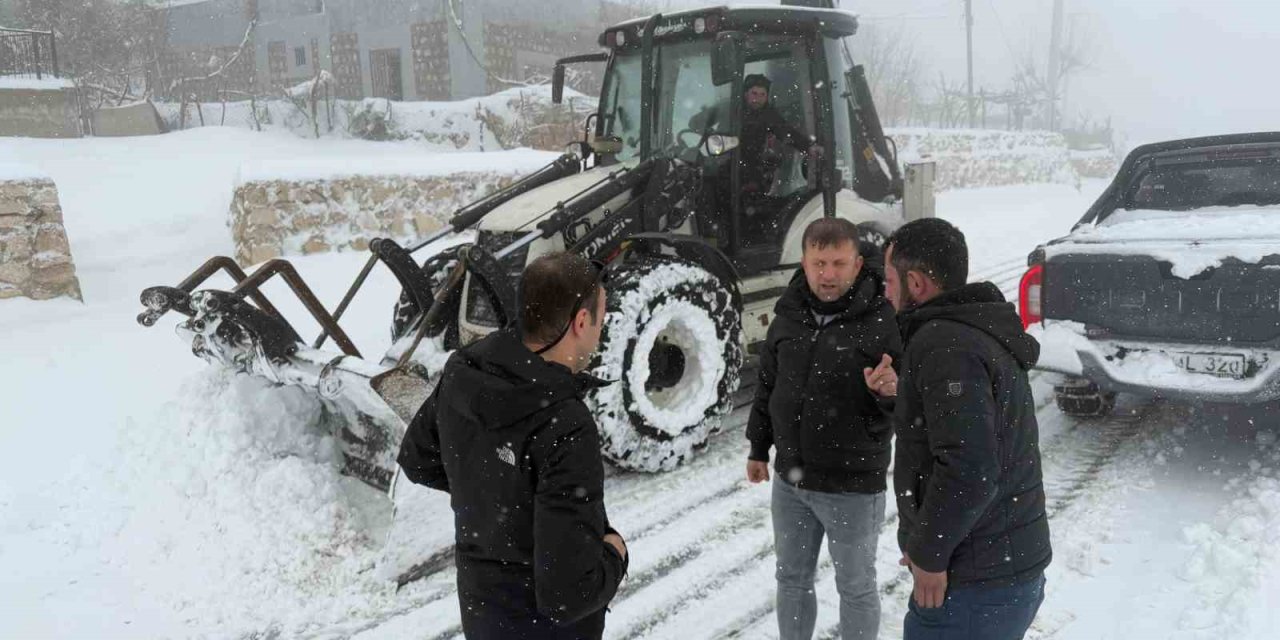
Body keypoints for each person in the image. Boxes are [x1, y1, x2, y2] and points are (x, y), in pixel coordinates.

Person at [397, 252, 628, 640]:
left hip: (484, 615)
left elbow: (419, 459)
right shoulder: (566, 425)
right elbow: (568, 596)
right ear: (581, 322)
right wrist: (615, 555)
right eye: (600, 322)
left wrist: (491, 492)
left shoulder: (463, 371)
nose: (599, 334)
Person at [866, 218, 1051, 640]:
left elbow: (970, 467)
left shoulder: (944, 344)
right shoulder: (970, 329)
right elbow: (964, 431)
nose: (885, 290)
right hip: (1000, 569)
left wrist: (929, 553)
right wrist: (904, 397)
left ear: (916, 283)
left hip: (976, 584)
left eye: (890, 279)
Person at [745, 217, 903, 640]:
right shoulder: (788, 315)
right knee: (791, 580)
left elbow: (903, 405)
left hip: (852, 485)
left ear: (856, 264)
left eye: (838, 263)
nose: (827, 274)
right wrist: (758, 447)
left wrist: (889, 393)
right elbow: (768, 386)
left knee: (854, 587)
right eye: (819, 263)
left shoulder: (880, 321)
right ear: (805, 261)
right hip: (791, 481)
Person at [739, 73, 821, 194]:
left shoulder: (768, 115)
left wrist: (808, 147)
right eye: (754, 93)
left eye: (763, 94)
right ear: (746, 94)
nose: (758, 99)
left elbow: (786, 132)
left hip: (754, 169)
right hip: (733, 164)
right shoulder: (733, 111)